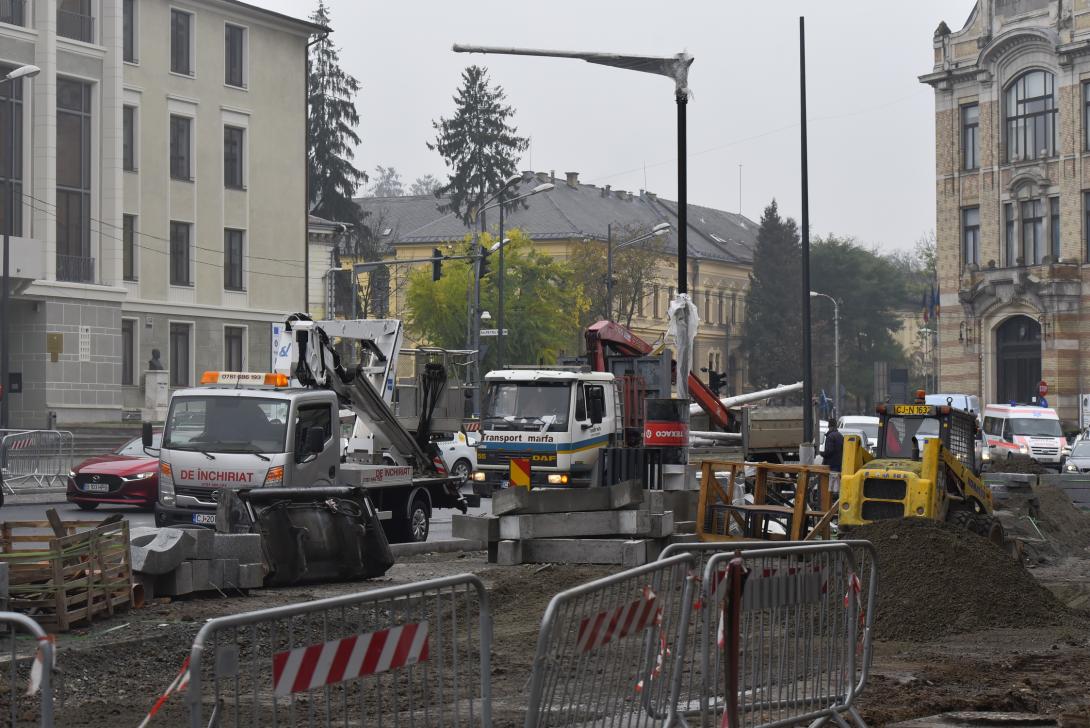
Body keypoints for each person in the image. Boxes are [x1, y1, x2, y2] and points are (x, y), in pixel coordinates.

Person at [822, 420, 844, 495]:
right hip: (839, 464)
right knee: (837, 484)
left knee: (831, 486)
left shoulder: (830, 436)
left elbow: (829, 451)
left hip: (832, 464)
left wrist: (822, 454)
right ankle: (836, 499)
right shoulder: (840, 436)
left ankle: (831, 500)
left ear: (829, 426)